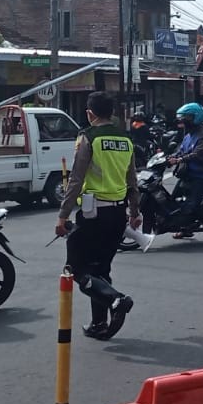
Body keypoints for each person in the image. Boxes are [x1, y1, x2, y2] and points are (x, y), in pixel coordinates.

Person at [54, 92, 142, 340]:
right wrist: (135, 212)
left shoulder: (88, 137)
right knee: (101, 269)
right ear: (111, 113)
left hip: (94, 215)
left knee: (77, 268)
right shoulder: (125, 139)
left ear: (90, 113)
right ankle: (98, 324)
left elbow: (76, 179)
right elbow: (132, 180)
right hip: (118, 214)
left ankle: (116, 300)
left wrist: (63, 215)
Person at [166, 101, 203, 243]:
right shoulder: (188, 135)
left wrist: (179, 160)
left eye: (185, 118)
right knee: (173, 201)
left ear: (194, 118)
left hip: (200, 176)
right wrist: (173, 156)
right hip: (187, 175)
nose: (182, 121)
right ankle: (185, 228)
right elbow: (181, 150)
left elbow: (197, 154)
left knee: (194, 205)